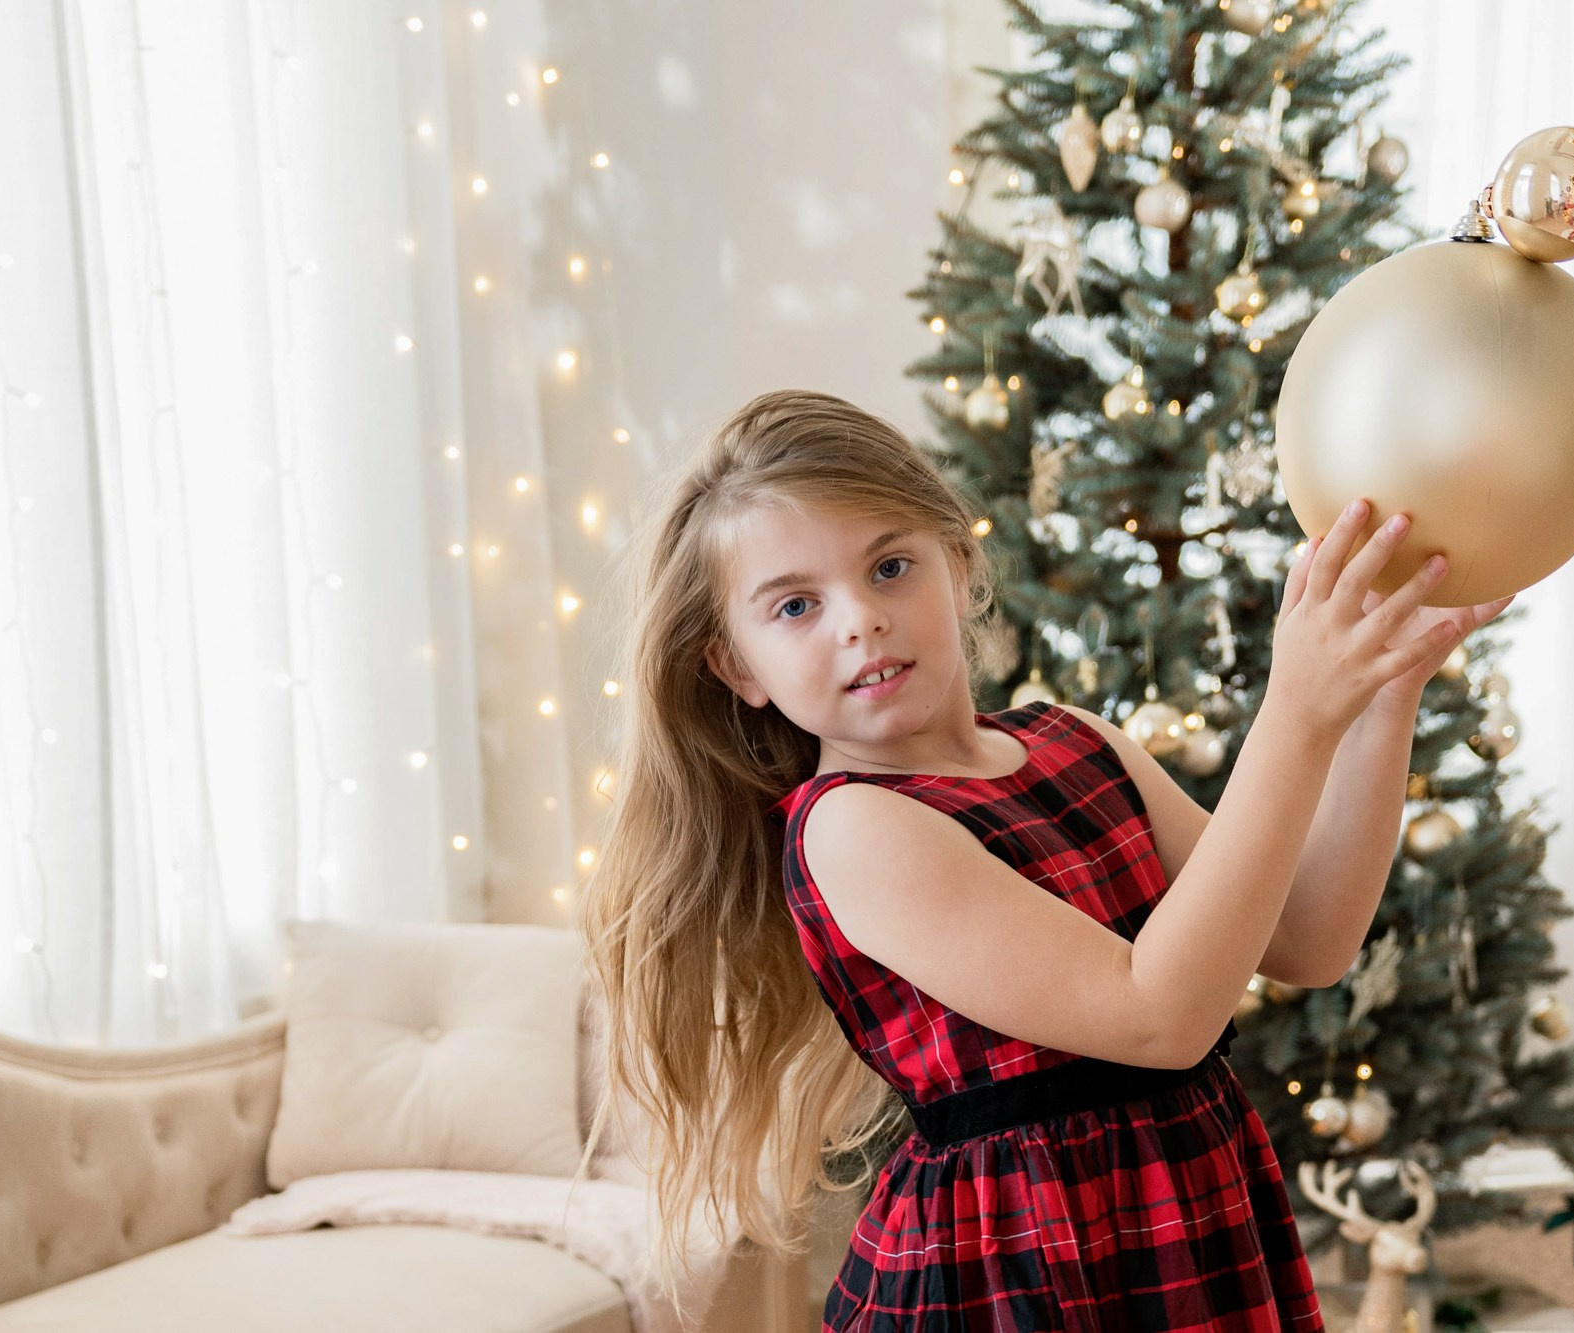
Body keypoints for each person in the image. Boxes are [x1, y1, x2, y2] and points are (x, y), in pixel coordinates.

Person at [575, 388, 1514, 1331]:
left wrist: (1387, 697)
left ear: (960, 565)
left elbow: (1310, 939)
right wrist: (1297, 711)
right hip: (1021, 1267)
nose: (858, 620)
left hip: (1186, 1214)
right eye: (794, 606)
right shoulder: (851, 827)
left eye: (891, 565)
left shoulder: (1077, 742)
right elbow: (1160, 1015)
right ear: (736, 669)